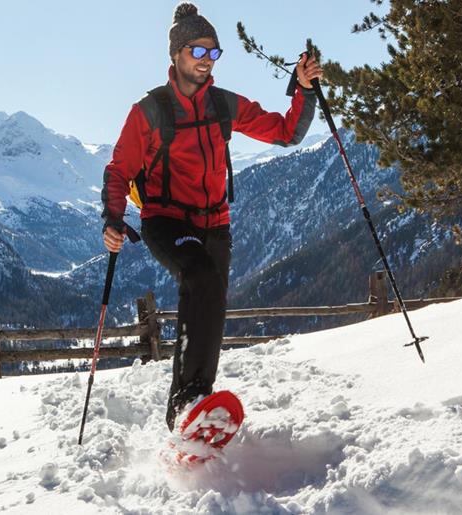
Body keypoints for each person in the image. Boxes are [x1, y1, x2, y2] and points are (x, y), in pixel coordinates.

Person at [100, 2, 323, 431]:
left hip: (215, 223)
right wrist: (113, 219)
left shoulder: (223, 105)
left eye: (212, 53)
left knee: (212, 309)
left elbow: (284, 132)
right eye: (197, 52)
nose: (206, 62)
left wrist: (303, 90)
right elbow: (119, 170)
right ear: (176, 54)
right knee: (199, 277)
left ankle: (191, 410)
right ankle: (187, 405)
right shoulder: (148, 111)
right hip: (166, 221)